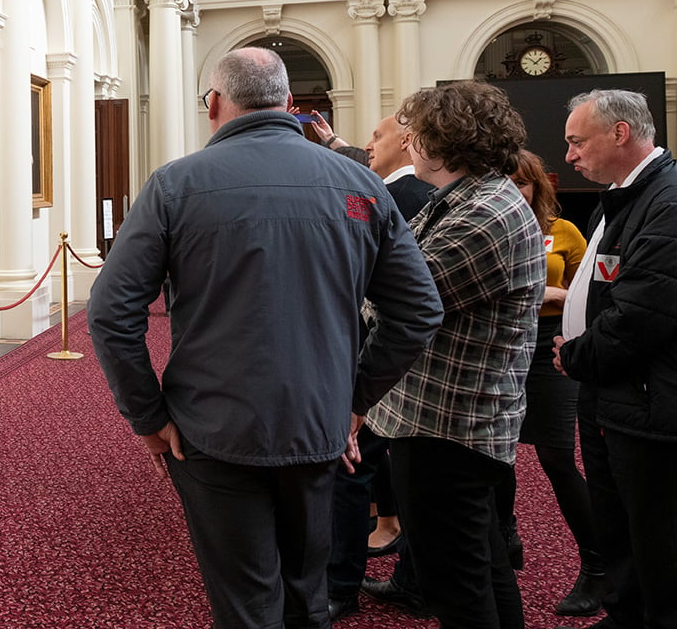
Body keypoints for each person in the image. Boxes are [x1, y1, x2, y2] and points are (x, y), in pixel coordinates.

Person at [88, 47, 444, 629]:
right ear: (290, 105)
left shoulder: (175, 184)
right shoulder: (359, 184)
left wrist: (147, 417)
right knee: (309, 593)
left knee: (247, 603)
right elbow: (419, 311)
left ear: (213, 105)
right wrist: (353, 401)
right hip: (317, 422)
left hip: (210, 429)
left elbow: (109, 313)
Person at [366, 80, 545, 629]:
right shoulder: (463, 197)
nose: (409, 141)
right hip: (446, 420)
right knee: (483, 568)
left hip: (451, 426)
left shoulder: (485, 212)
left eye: (415, 132)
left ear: (441, 140)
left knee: (457, 587)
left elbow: (400, 296)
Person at [553, 89, 677, 629]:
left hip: (645, 401)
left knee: (655, 531)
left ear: (620, 133)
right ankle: (626, 612)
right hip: (617, 394)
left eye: (577, 141)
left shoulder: (666, 200)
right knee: (620, 522)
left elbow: (642, 315)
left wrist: (577, 354)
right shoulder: (630, 193)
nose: (570, 156)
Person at [327, 112, 434, 621]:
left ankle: (341, 583)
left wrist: (360, 391)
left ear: (408, 141)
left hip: (374, 359)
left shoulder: (400, 196)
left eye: (378, 135)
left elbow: (413, 302)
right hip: (381, 360)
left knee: (353, 470)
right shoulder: (388, 189)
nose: (370, 144)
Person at [494, 150, 605, 616]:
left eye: (524, 183)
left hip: (550, 346)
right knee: (495, 455)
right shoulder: (492, 227)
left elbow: (590, 293)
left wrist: (553, 293)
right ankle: (505, 541)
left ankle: (599, 566)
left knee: (558, 457)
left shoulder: (565, 232)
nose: (516, 191)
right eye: (507, 182)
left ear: (538, 187)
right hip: (501, 346)